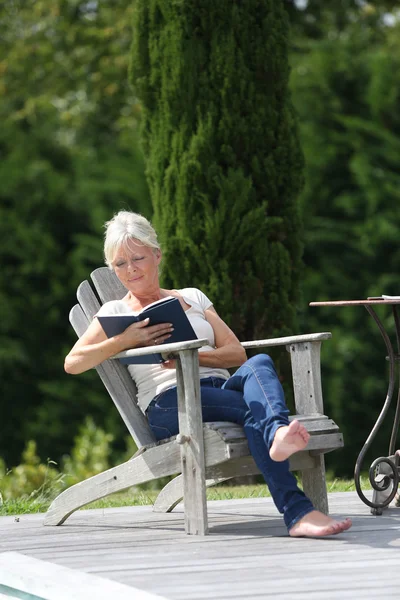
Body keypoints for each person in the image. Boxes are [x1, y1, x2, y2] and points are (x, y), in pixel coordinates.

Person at [65, 210, 352, 538]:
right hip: (171, 403)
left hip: (219, 387)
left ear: (157, 255)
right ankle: (297, 510)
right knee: (249, 410)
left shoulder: (192, 297)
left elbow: (235, 352)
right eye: (120, 263)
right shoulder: (114, 311)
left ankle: (276, 436)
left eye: (138, 258)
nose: (130, 270)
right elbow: (73, 362)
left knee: (258, 364)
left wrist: (194, 355)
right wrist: (124, 340)